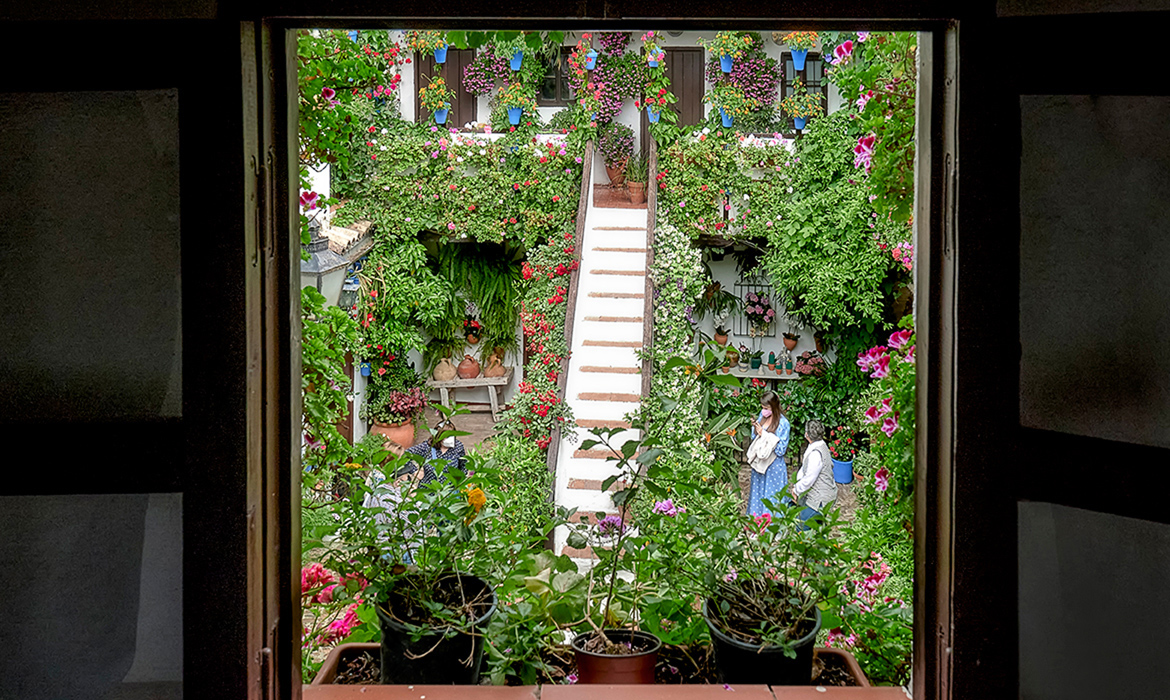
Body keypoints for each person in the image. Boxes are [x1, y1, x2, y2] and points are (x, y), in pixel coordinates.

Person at [787, 419, 838, 530]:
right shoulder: (821, 445)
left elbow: (809, 479)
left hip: (820, 499)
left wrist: (796, 491)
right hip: (827, 494)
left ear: (806, 434)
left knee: (800, 526)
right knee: (820, 529)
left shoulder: (816, 454)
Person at [748, 391, 791, 517]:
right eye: (762, 408)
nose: (763, 411)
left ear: (774, 407)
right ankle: (756, 525)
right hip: (759, 464)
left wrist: (765, 436)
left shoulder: (783, 424)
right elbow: (753, 437)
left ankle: (774, 529)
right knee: (758, 495)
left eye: (766, 408)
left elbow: (781, 450)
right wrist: (756, 429)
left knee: (773, 498)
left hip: (774, 467)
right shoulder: (762, 417)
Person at [404, 418, 466, 486]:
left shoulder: (458, 447)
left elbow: (463, 465)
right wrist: (414, 470)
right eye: (447, 436)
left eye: (452, 435)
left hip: (449, 492)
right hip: (428, 491)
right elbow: (405, 454)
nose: (450, 439)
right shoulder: (427, 447)